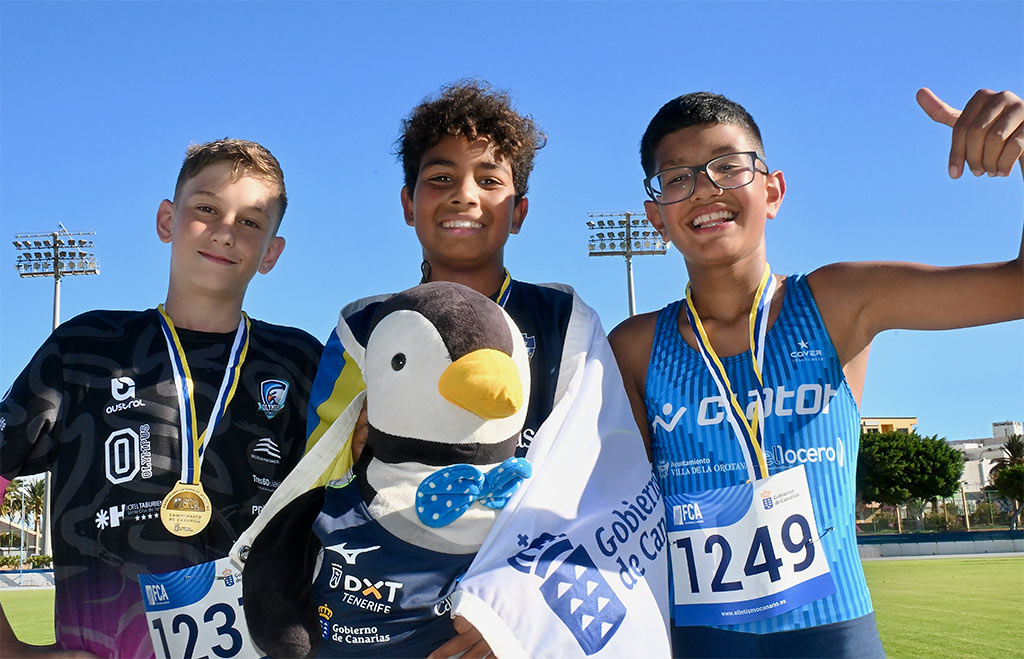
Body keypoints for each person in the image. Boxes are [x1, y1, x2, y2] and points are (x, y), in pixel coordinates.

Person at [609, 87, 1023, 658]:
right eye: (677, 178)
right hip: (698, 639)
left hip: (836, 635)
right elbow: (611, 503)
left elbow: (1016, 288)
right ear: (656, 217)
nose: (705, 188)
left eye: (728, 167)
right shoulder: (633, 347)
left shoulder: (839, 301)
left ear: (773, 191)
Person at [0, 139, 322, 658]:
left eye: (251, 222)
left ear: (272, 253)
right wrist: (11, 651)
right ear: (167, 220)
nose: (224, 231)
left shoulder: (300, 361)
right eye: (207, 208)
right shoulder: (85, 348)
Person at [305, 81, 580, 659]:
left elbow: (598, 480)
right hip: (381, 617)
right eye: (440, 179)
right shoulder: (363, 325)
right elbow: (316, 473)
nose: (463, 195)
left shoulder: (563, 319)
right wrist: (349, 453)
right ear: (408, 203)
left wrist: (518, 610)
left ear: (519, 211)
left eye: (489, 179)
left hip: (516, 615)